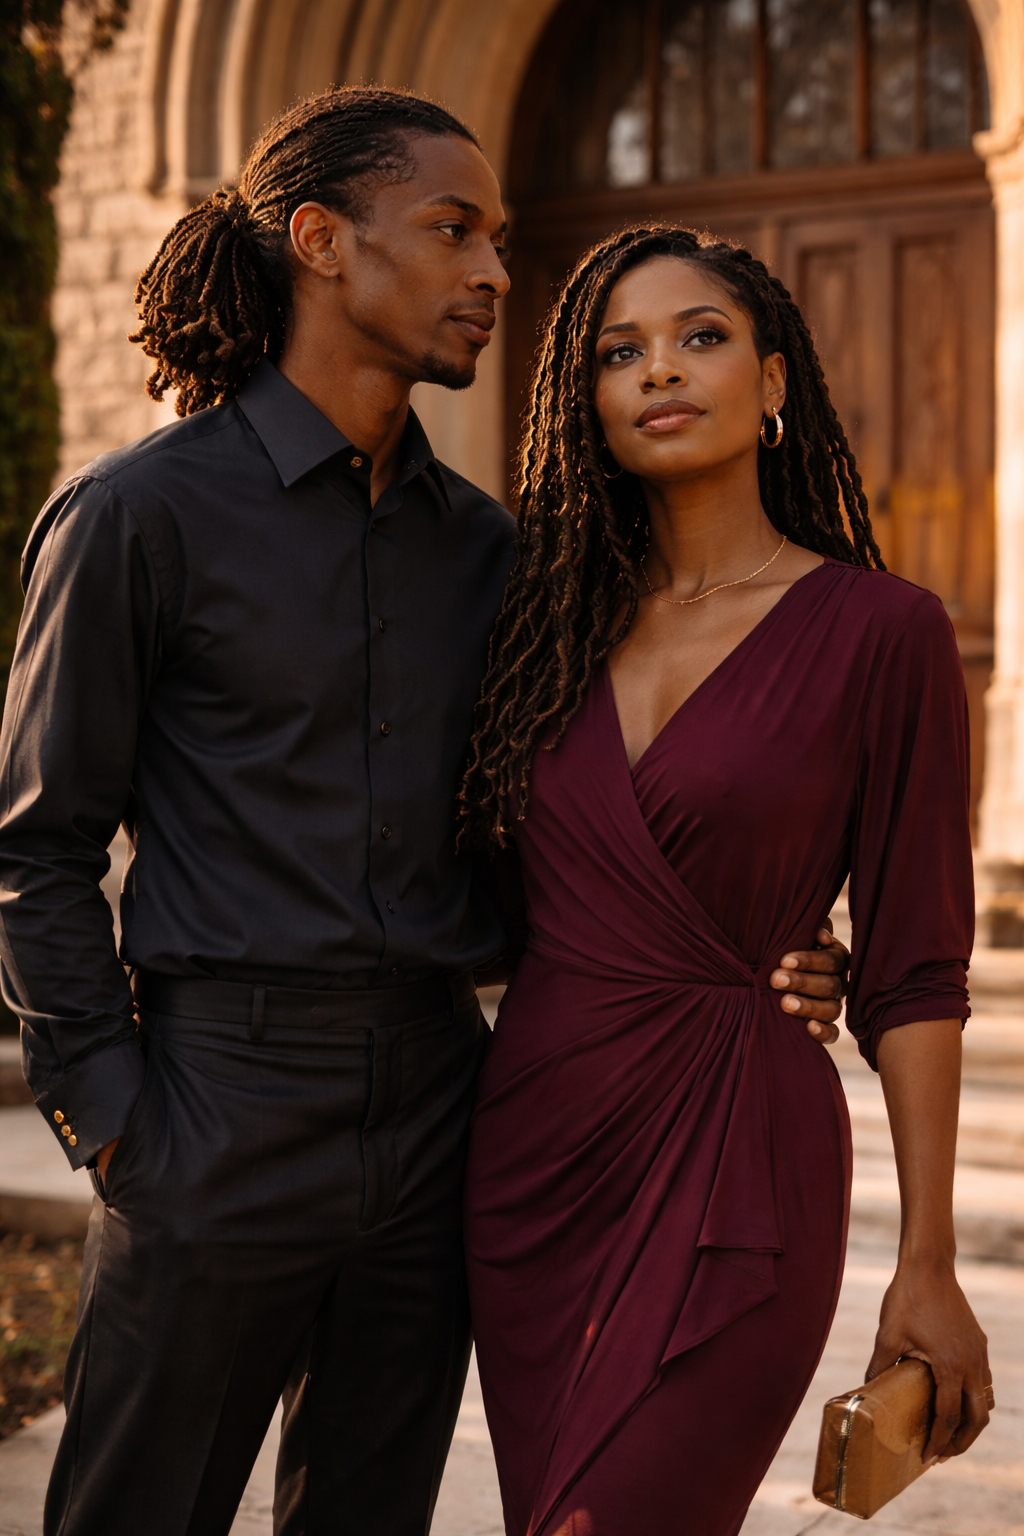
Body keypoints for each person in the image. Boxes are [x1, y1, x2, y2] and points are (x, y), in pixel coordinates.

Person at [0, 90, 845, 1532]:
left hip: (447, 1102)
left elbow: (559, 845)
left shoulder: (497, 555)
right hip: (218, 1102)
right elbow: (36, 846)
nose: (498, 278)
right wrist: (121, 1126)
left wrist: (749, 945)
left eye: (502, 240)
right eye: (456, 232)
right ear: (321, 242)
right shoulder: (142, 515)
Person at [458, 227, 993, 1536]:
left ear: (771, 383)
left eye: (699, 337)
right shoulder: (537, 627)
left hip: (740, 1163)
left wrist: (928, 1262)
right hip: (534, 1157)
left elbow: (917, 966)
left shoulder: (884, 631)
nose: (659, 372)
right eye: (618, 353)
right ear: (583, 403)